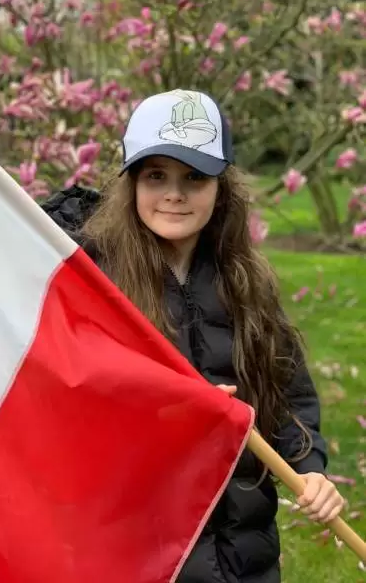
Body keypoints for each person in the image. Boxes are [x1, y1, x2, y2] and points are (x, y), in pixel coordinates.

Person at [41, 89, 344, 583]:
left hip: (244, 551)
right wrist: (170, 414)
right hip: (144, 548)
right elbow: (67, 407)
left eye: (195, 177)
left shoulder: (247, 281)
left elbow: (288, 391)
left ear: (221, 188)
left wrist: (309, 467)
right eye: (156, 176)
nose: (175, 194)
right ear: (131, 184)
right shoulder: (94, 284)